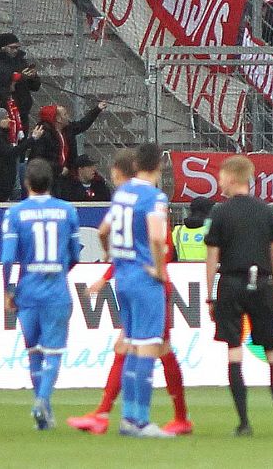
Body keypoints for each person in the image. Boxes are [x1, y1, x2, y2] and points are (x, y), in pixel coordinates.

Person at [203, 154, 273, 436]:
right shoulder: (267, 212)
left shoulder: (220, 213)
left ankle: (244, 423)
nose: (219, 181)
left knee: (234, 350)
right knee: (272, 349)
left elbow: (213, 258)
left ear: (233, 178)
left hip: (231, 284)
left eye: (221, 176)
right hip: (262, 284)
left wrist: (210, 295)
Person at [96, 143, 172, 438]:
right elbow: (156, 236)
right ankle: (139, 420)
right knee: (147, 347)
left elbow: (103, 231)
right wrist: (158, 267)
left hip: (123, 279)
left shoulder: (122, 193)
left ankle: (129, 418)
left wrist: (109, 254)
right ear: (159, 165)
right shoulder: (155, 197)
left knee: (130, 345)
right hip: (144, 279)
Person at [2, 158, 81, 430]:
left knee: (34, 351)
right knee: (54, 351)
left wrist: (9, 290)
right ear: (51, 181)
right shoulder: (67, 211)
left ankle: (42, 410)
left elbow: (8, 260)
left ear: (26, 183)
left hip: (28, 293)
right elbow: (75, 255)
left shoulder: (15, 214)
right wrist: (58, 271)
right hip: (56, 291)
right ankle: (42, 402)